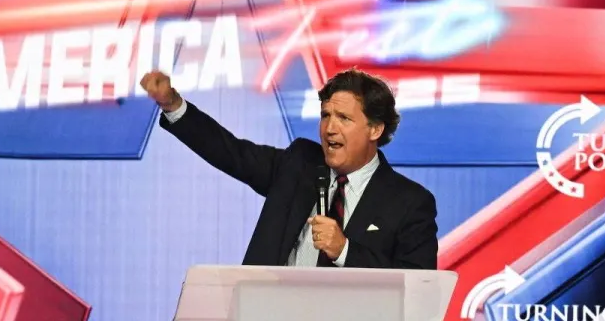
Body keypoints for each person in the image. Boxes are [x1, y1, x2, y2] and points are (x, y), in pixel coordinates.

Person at [141, 68, 438, 269]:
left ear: (375, 129)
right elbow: (232, 153)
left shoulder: (409, 203)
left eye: (344, 118)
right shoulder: (299, 164)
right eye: (325, 115)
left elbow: (414, 289)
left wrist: (345, 251)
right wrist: (173, 105)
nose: (329, 129)